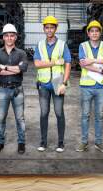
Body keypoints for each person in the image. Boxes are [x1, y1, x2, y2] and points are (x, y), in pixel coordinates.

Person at [76, 20, 103, 153]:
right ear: (88, 33)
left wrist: (92, 60)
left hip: (101, 87)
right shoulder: (83, 45)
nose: (94, 33)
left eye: (96, 31)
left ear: (100, 33)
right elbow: (82, 64)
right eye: (91, 31)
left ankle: (98, 143)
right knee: (85, 116)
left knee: (99, 116)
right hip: (86, 87)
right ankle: (84, 142)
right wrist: (100, 70)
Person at [33, 16, 71, 153]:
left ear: (56, 29)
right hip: (43, 84)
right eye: (47, 27)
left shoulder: (62, 45)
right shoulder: (40, 45)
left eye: (52, 27)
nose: (49, 30)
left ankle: (60, 143)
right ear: (44, 29)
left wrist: (64, 83)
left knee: (59, 113)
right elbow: (37, 64)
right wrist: (55, 62)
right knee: (44, 113)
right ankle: (43, 142)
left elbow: (67, 64)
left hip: (57, 83)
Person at [0, 24, 28, 154]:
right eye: (7, 35)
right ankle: (0, 142)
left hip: (18, 90)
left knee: (20, 118)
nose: (9, 38)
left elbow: (22, 69)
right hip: (3, 89)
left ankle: (21, 143)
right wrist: (14, 69)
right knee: (1, 118)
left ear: (16, 37)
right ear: (3, 37)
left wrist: (4, 67)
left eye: (12, 35)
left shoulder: (21, 53)